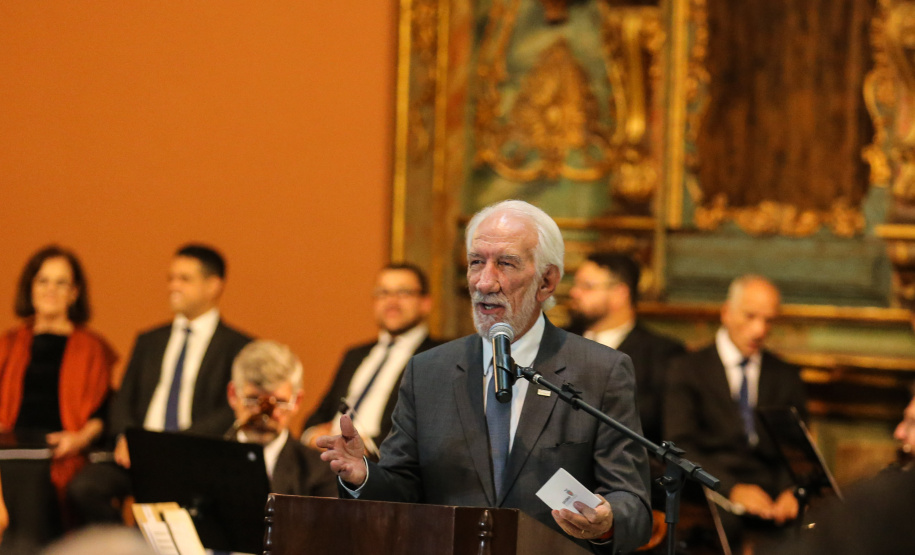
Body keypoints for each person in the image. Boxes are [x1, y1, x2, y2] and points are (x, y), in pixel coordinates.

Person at [318, 200, 651, 553]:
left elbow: (633, 504)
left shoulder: (600, 370)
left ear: (547, 281)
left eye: (505, 264)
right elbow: (403, 489)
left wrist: (606, 522)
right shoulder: (428, 371)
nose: (484, 281)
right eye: (476, 262)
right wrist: (364, 475)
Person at [67, 244, 252, 525]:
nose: (173, 286)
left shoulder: (238, 347)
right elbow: (124, 398)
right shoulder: (150, 340)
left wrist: (172, 447)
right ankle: (126, 547)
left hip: (192, 458)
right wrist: (126, 438)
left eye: (184, 279)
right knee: (85, 488)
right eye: (171, 278)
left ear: (213, 285)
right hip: (137, 455)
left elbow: (231, 411)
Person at [664, 275, 806, 549]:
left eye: (769, 321)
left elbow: (796, 448)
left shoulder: (785, 375)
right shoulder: (687, 369)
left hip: (771, 492)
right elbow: (680, 444)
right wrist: (731, 488)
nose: (759, 330)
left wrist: (792, 491)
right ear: (726, 313)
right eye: (750, 317)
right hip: (709, 488)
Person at [0, 246, 116, 549]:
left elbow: (102, 414)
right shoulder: (8, 344)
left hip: (63, 453)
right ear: (30, 287)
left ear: (74, 292)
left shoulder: (92, 348)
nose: (50, 290)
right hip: (9, 450)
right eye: (43, 281)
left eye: (61, 282)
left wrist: (78, 439)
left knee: (36, 485)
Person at [301, 263, 439, 453]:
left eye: (403, 293)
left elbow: (429, 429)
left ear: (426, 303)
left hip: (381, 467)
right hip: (326, 459)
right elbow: (319, 415)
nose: (392, 302)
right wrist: (312, 436)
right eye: (383, 293)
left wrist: (369, 447)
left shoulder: (438, 356)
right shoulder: (354, 355)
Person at [567, 253, 684, 444]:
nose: (574, 293)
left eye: (586, 286)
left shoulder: (663, 353)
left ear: (620, 294)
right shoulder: (558, 339)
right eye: (576, 284)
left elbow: (655, 423)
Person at [226, 340, 336, 498]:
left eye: (278, 402)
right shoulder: (203, 462)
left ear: (296, 401)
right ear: (233, 395)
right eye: (253, 399)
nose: (264, 415)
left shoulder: (319, 472)